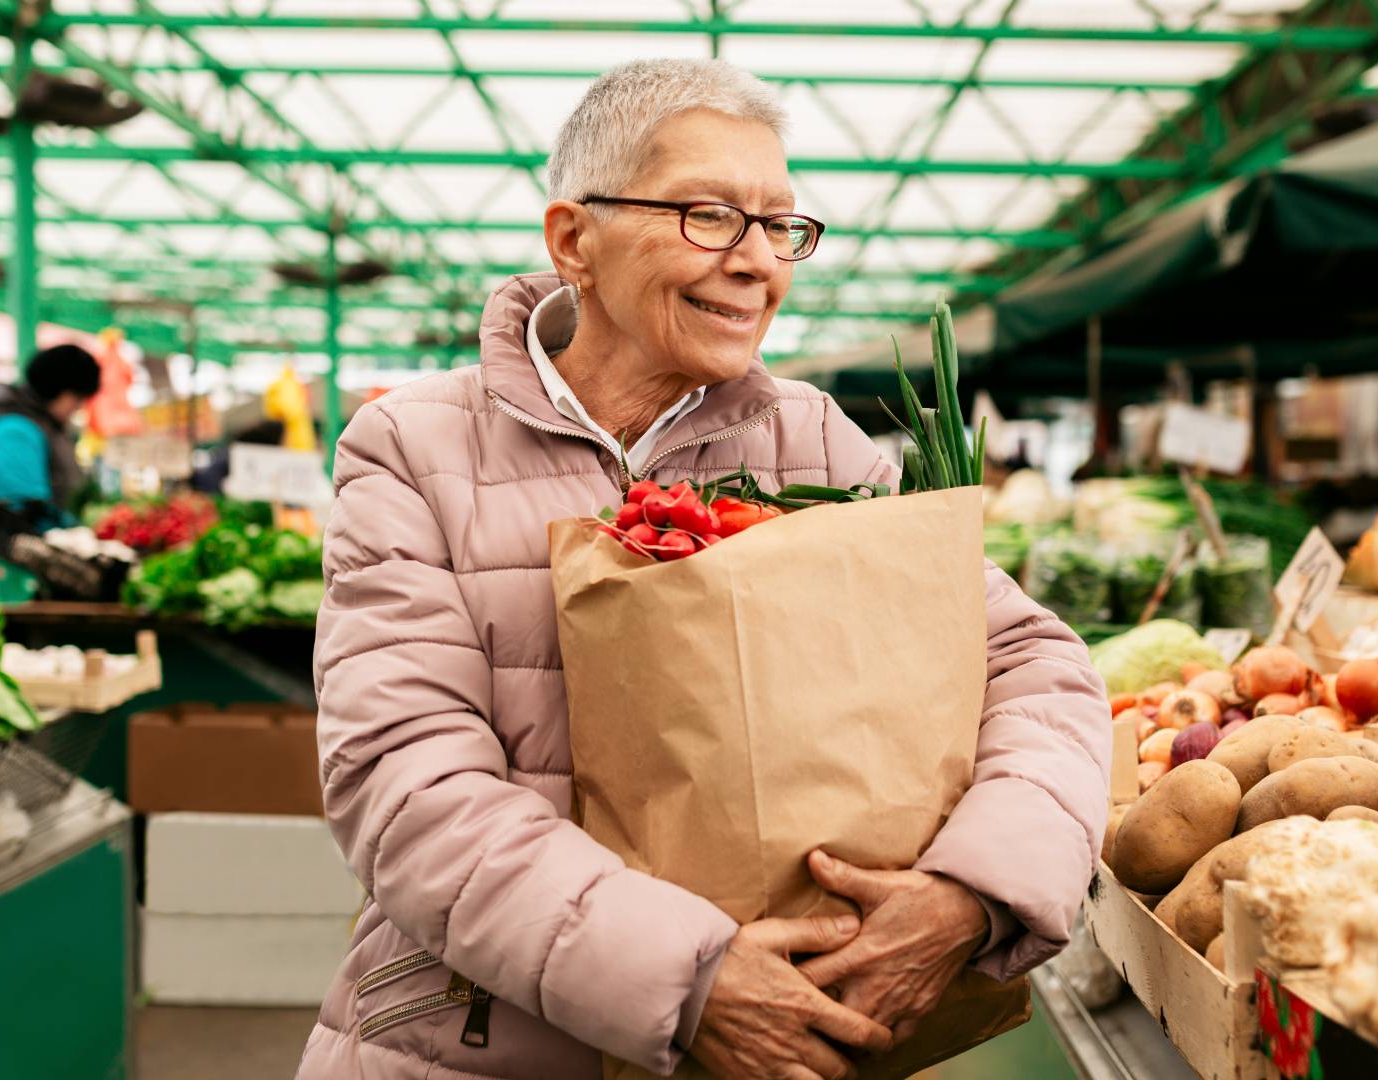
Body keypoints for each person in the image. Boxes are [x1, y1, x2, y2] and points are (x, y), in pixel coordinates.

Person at [301, 60, 1109, 1080]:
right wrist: (688, 979)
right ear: (573, 241)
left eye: (782, 227)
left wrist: (973, 893)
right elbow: (406, 785)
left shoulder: (814, 444)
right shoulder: (414, 447)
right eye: (711, 216)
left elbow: (1038, 666)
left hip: (795, 1042)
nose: (757, 262)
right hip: (475, 1043)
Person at [0, 344, 100, 532]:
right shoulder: (13, 431)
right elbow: (23, 508)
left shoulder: (39, 425)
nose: (78, 408)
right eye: (77, 399)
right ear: (60, 391)